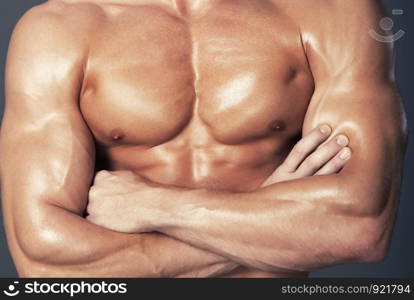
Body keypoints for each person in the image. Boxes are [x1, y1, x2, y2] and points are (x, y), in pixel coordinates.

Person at [0, 0, 407, 277]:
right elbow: (42, 262)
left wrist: (157, 206)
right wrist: (283, 226)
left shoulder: (333, 12)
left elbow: (360, 227)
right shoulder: (58, 28)